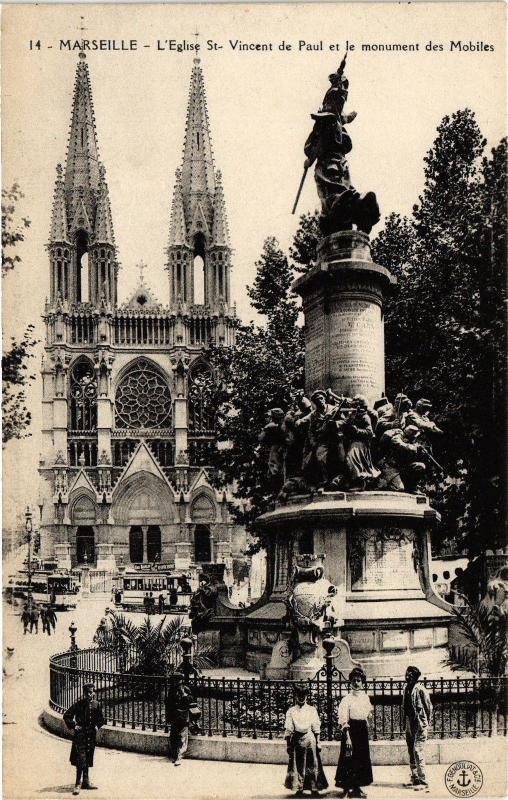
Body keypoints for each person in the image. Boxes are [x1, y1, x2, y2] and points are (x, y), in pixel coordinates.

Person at [335, 667, 373, 799]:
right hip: (351, 732)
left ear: (363, 683)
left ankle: (357, 788)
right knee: (348, 759)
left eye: (359, 680)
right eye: (354, 680)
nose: (356, 683)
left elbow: (367, 713)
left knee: (361, 759)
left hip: (362, 732)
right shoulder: (347, 699)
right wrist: (348, 738)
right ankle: (346, 789)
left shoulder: (365, 698)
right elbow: (343, 720)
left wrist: (367, 719)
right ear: (350, 682)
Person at [284, 684, 328, 797]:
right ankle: (299, 788)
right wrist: (288, 744)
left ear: (307, 696)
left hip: (310, 739)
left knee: (312, 763)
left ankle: (314, 788)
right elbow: (289, 729)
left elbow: (316, 727)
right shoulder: (291, 711)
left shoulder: (311, 710)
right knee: (298, 765)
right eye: (299, 695)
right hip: (297, 740)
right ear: (295, 696)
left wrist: (318, 742)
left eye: (303, 695)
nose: (301, 697)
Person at [63, 682, 105, 795]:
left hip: (91, 735)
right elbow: (67, 715)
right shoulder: (79, 704)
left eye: (91, 693)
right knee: (80, 759)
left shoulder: (97, 704)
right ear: (84, 694)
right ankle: (77, 784)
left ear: (94, 693)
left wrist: (97, 726)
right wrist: (73, 725)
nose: (89, 695)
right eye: (87, 693)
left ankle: (86, 782)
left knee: (88, 756)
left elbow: (101, 719)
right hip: (80, 735)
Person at [402, 666, 433, 791]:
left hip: (419, 723)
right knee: (411, 750)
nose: (407, 676)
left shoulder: (421, 690)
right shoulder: (406, 689)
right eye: (407, 674)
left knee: (417, 750)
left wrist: (425, 723)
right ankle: (414, 777)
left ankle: (423, 779)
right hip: (410, 723)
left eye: (410, 675)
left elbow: (429, 707)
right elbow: (404, 706)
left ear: (415, 677)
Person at [165, 672, 194, 766]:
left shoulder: (185, 689)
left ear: (181, 680)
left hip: (183, 716)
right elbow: (168, 704)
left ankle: (179, 757)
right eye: (174, 680)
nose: (175, 682)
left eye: (177, 680)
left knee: (182, 737)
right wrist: (168, 716)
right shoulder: (171, 690)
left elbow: (190, 700)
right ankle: (174, 755)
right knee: (173, 736)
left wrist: (184, 696)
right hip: (175, 716)